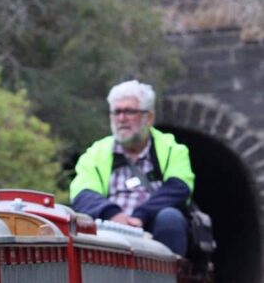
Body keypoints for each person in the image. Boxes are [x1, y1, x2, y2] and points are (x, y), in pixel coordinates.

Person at [69, 79, 193, 255]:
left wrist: (140, 216)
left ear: (148, 117)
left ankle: (169, 281)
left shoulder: (172, 148)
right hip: (108, 228)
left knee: (170, 218)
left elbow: (179, 188)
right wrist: (113, 214)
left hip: (153, 225)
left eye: (129, 111)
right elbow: (82, 194)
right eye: (116, 112)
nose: (121, 118)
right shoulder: (95, 153)